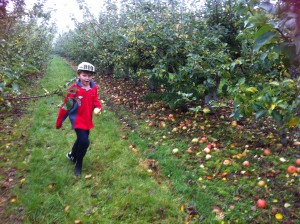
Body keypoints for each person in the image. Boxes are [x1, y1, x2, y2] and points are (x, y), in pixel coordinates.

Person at [56, 62, 102, 176]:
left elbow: (95, 99)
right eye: (84, 75)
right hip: (77, 119)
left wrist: (98, 107)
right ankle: (78, 163)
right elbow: (66, 105)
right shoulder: (74, 89)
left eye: (90, 75)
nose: (87, 78)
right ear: (78, 75)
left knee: (81, 140)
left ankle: (72, 155)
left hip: (87, 119)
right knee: (85, 142)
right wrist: (59, 121)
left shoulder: (93, 87)